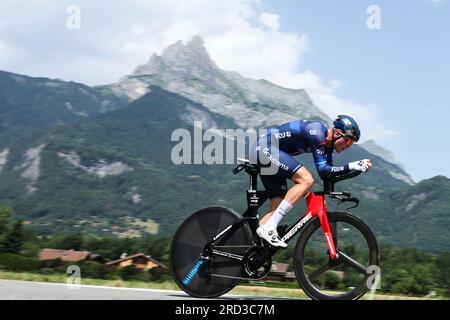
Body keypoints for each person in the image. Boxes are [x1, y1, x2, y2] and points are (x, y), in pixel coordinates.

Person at [251, 115, 372, 248]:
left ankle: (250, 248)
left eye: (351, 144)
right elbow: (323, 169)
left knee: (277, 208)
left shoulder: (327, 147)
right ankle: (269, 227)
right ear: (337, 133)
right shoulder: (317, 132)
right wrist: (352, 165)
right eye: (348, 141)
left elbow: (328, 174)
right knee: (306, 180)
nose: (348, 146)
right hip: (264, 148)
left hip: (269, 153)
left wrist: (355, 171)